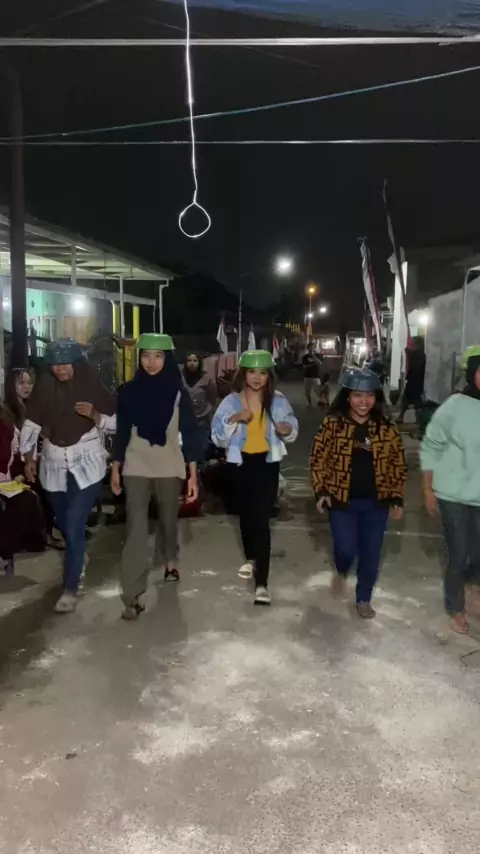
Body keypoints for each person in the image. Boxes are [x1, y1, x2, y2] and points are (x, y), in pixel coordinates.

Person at [20, 338, 116, 613]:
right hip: (53, 463)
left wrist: (96, 416)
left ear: (76, 362)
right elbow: (32, 423)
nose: (60, 368)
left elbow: (116, 421)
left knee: (74, 523)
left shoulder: (90, 384)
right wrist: (29, 457)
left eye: (65, 363)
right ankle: (78, 553)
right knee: (63, 521)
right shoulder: (45, 387)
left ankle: (70, 588)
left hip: (87, 462)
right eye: (55, 364)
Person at [111, 333, 201, 621]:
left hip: (169, 465)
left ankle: (169, 557)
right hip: (136, 465)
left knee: (168, 520)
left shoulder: (178, 393)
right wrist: (116, 467)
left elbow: (190, 431)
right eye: (146, 356)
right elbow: (122, 431)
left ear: (167, 359)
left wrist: (193, 474)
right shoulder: (128, 392)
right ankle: (133, 596)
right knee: (135, 531)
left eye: (158, 356)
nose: (151, 362)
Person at [309, 368, 406, 618]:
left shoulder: (386, 428)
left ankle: (364, 598)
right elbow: (318, 458)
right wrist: (321, 490)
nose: (364, 402)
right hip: (342, 500)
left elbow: (397, 463)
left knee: (371, 553)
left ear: (376, 398)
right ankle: (342, 570)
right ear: (347, 397)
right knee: (345, 548)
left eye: (369, 395)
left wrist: (396, 496)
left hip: (377, 502)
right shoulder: (333, 424)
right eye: (357, 396)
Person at [211, 350, 299, 605]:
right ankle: (251, 556)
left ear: (269, 376)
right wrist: (234, 419)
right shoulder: (231, 402)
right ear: (243, 374)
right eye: (252, 372)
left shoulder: (278, 401)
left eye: (262, 373)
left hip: (266, 464)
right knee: (246, 516)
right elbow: (217, 436)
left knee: (261, 520)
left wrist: (286, 429)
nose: (257, 378)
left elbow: (292, 425)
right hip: (239, 465)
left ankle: (262, 584)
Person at [420, 345, 480, 634]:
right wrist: (427, 488)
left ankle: (472, 586)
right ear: (473, 373)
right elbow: (431, 444)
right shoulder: (455, 406)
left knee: (477, 554)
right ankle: (456, 607)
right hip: (453, 494)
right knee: (460, 554)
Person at [5, 367, 65, 550]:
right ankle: (43, 534)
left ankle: (51, 530)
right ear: (11, 386)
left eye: (29, 383)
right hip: (13, 467)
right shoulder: (6, 414)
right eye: (21, 383)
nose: (27, 387)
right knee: (44, 484)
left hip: (31, 462)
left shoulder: (31, 409)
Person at [0, 402, 46, 576]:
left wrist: (17, 473)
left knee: (28, 499)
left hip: (6, 482)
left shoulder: (6, 423)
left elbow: (14, 458)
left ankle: (9, 549)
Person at [183, 352, 217, 460]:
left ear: (199, 362)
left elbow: (212, 398)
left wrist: (207, 413)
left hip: (202, 420)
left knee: (203, 447)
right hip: (185, 420)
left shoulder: (207, 379)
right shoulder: (181, 379)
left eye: (195, 360)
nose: (192, 363)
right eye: (189, 361)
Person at [396, 337, 426, 423]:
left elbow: (409, 352)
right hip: (416, 380)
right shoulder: (422, 354)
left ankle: (417, 420)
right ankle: (406, 418)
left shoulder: (418, 354)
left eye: (413, 343)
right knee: (409, 401)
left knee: (415, 402)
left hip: (416, 381)